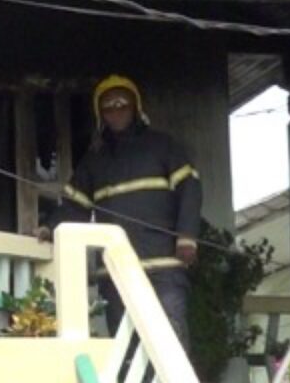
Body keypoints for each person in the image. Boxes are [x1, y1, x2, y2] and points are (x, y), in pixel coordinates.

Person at [46, 74, 202, 325]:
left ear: (135, 107)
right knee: (124, 347)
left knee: (170, 337)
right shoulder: (94, 159)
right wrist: (49, 227)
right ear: (100, 114)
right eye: (108, 107)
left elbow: (190, 189)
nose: (116, 111)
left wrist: (187, 238)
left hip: (163, 266)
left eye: (122, 104)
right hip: (115, 270)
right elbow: (76, 207)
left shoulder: (163, 146)